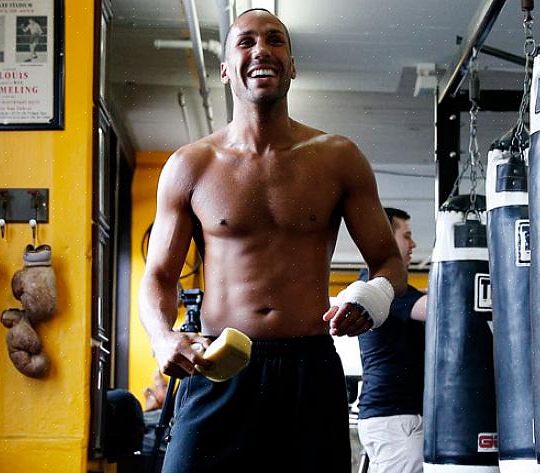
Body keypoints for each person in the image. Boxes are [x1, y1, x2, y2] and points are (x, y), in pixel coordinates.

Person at [138, 8, 407, 473]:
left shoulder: (339, 158)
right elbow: (158, 276)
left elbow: (389, 261)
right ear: (225, 70)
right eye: (245, 42)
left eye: (274, 40)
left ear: (292, 63)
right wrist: (163, 338)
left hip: (310, 368)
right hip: (220, 368)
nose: (261, 49)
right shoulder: (190, 165)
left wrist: (373, 296)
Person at [356, 207, 427, 473]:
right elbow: (440, 311)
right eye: (406, 236)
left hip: (396, 416)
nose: (413, 243)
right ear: (386, 239)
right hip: (396, 418)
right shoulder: (380, 287)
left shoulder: (390, 288)